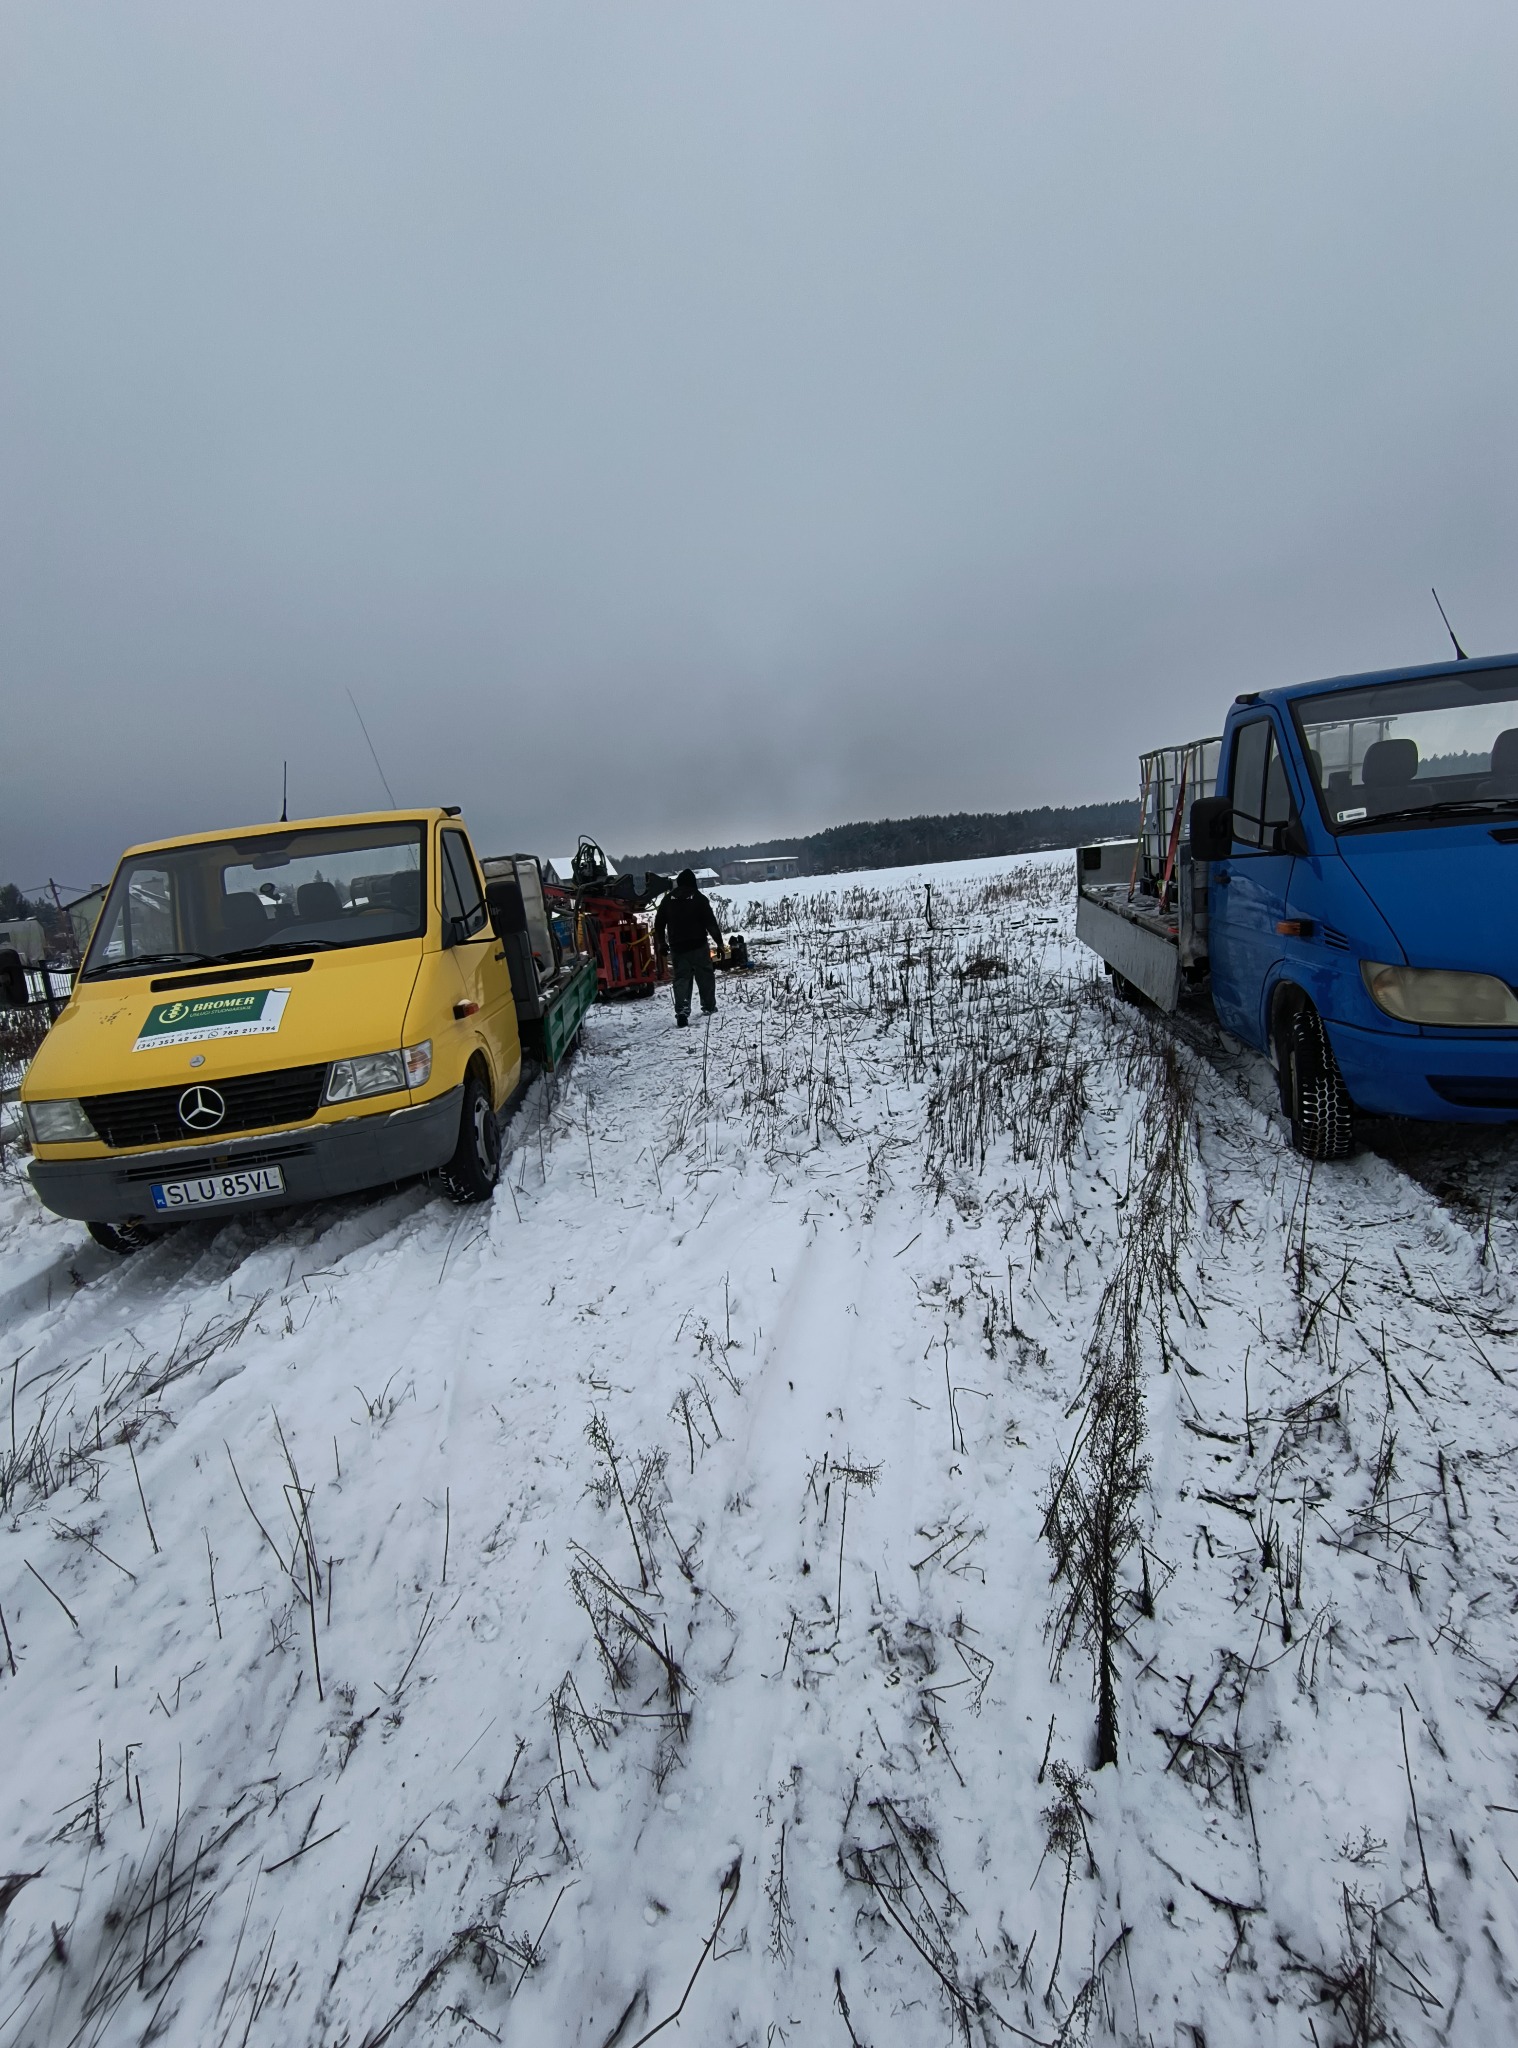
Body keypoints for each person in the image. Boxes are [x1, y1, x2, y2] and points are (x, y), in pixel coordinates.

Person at [653, 869, 725, 1026]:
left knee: (682, 979)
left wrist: (662, 944)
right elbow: (711, 924)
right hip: (699, 945)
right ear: (693, 882)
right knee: (705, 976)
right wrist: (719, 943)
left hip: (678, 948)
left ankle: (682, 1012)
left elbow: (658, 924)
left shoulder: (667, 900)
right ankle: (709, 1006)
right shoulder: (699, 899)